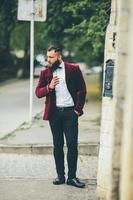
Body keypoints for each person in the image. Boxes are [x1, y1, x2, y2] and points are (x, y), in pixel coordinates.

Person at [35, 46, 86, 188]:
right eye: (47, 57)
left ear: (59, 56)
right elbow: (38, 92)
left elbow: (82, 89)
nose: (48, 60)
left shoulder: (73, 69)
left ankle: (72, 177)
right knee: (57, 145)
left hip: (70, 113)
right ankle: (60, 176)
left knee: (72, 145)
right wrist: (49, 87)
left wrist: (77, 110)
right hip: (54, 114)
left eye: (51, 57)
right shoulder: (45, 72)